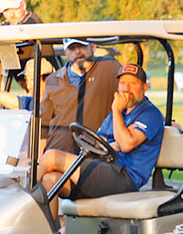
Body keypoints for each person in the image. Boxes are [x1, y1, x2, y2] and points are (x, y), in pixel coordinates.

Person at [38, 63, 164, 222]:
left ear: (144, 87)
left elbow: (126, 144)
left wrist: (116, 112)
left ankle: (24, 199)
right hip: (102, 170)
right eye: (123, 83)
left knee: (52, 157)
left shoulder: (150, 114)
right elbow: (97, 143)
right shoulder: (118, 112)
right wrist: (116, 141)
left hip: (125, 177)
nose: (126, 89)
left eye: (133, 84)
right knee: (51, 180)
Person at [41, 38, 120, 153]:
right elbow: (44, 124)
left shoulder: (108, 67)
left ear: (93, 47)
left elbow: (131, 95)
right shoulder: (53, 79)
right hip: (58, 152)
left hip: (93, 154)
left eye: (82, 46)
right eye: (72, 48)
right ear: (66, 52)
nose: (77, 51)